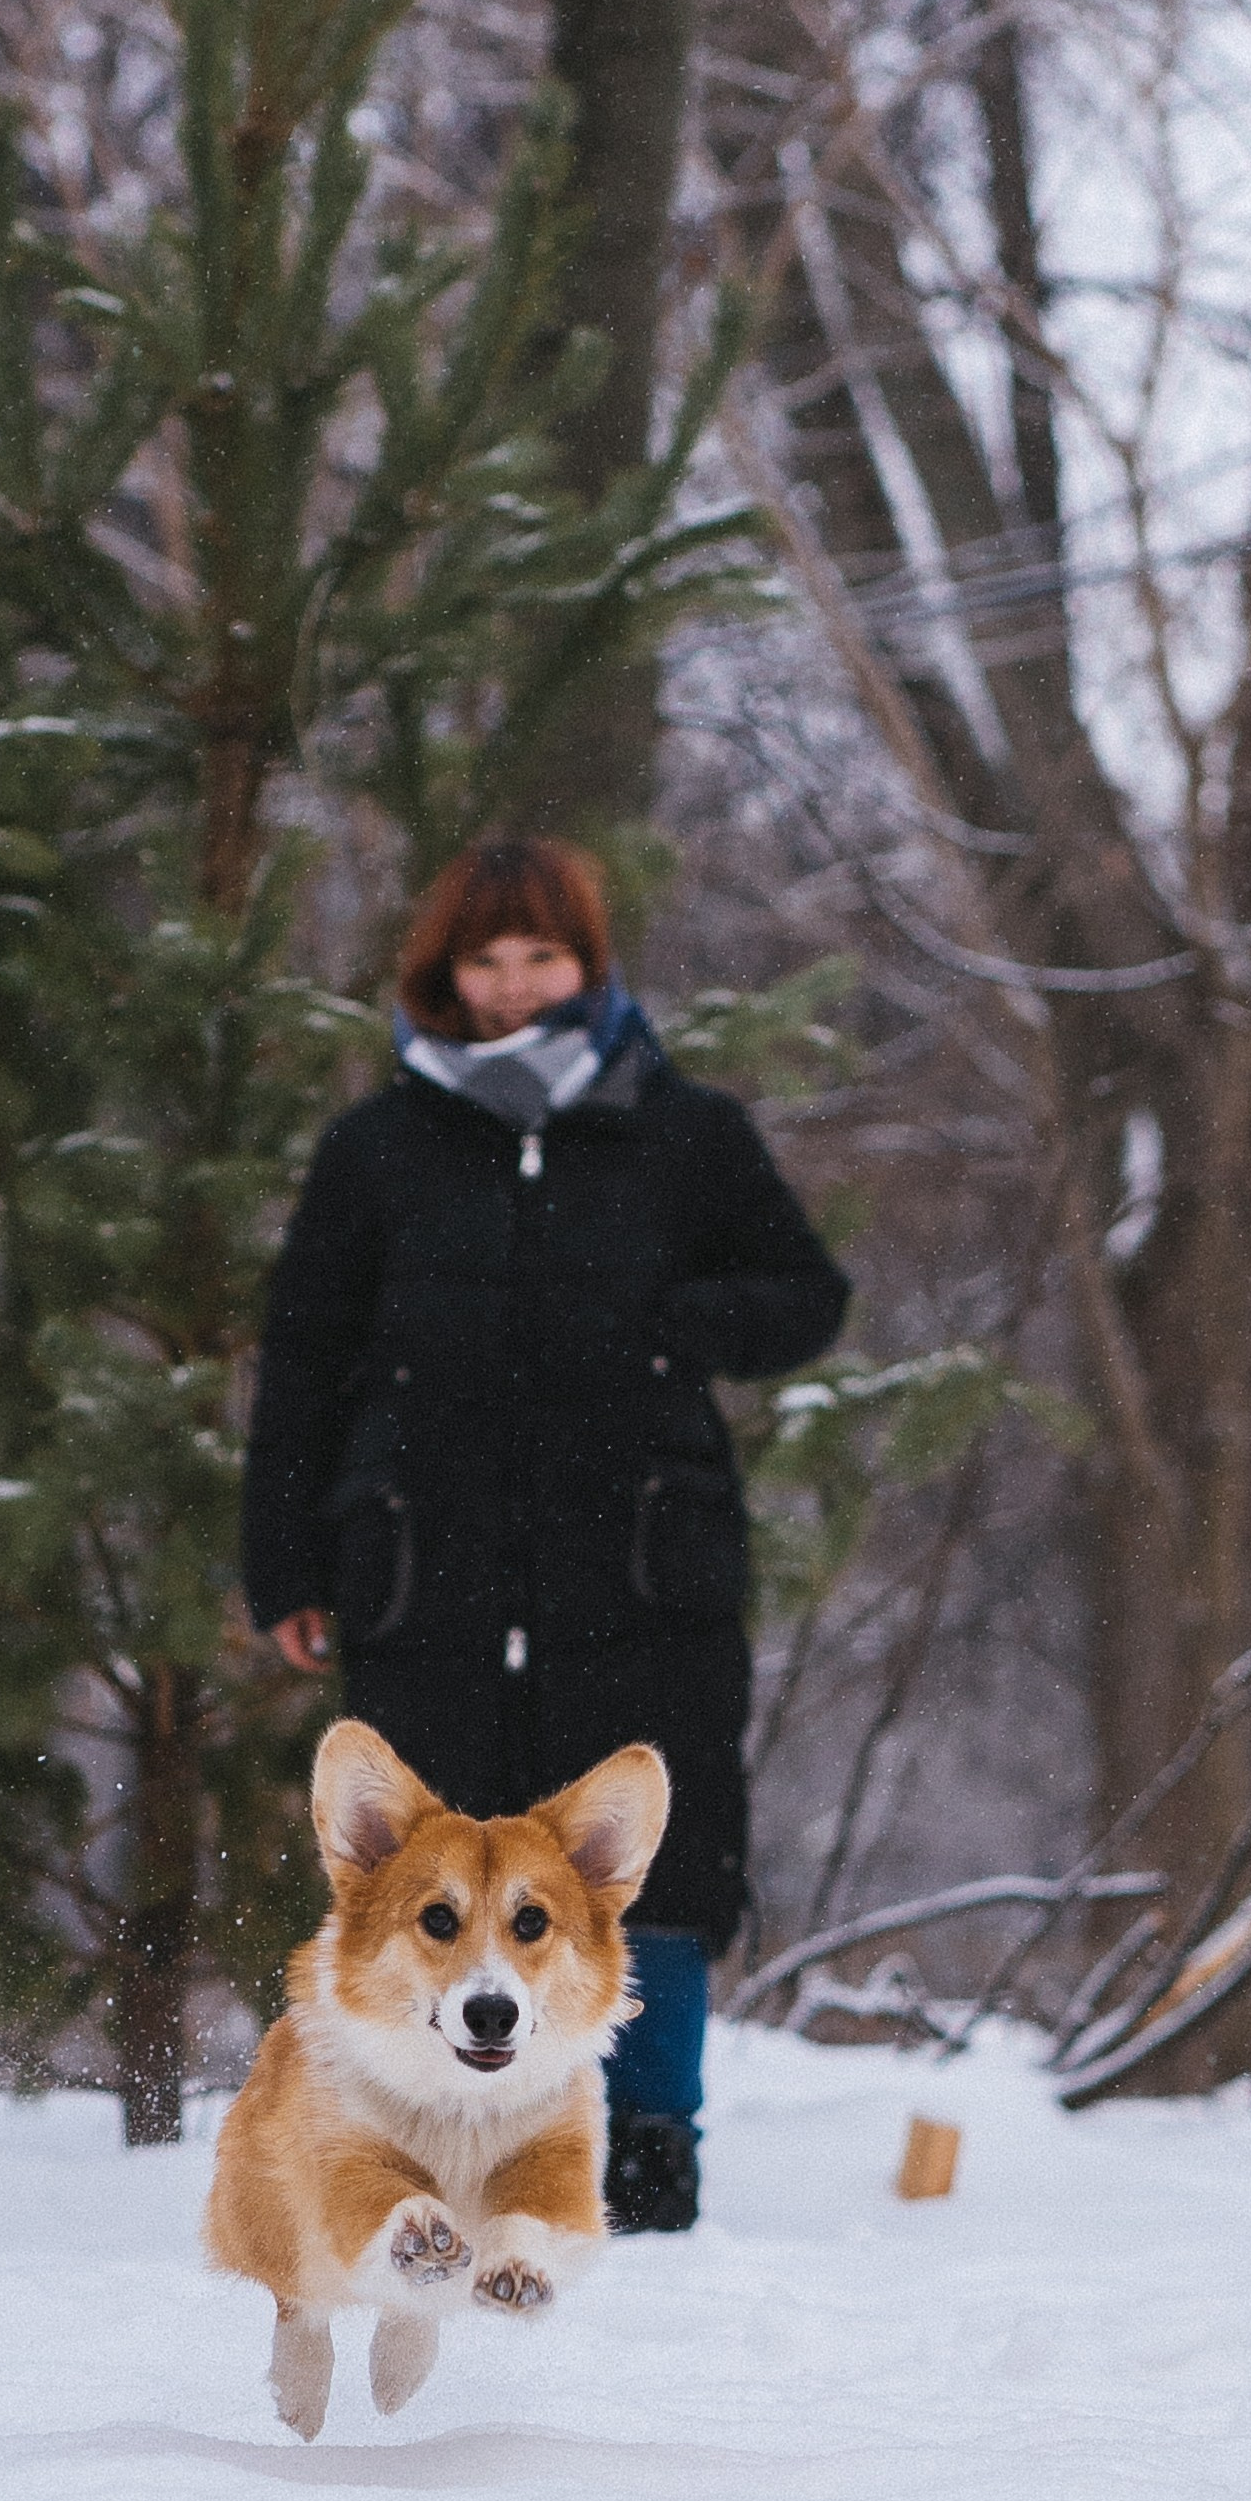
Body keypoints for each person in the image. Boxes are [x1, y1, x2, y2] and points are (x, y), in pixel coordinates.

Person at [241, 837, 848, 2231]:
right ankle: (426, 2151)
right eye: (486, 961)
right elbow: (303, 1364)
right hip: (422, 1573)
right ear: (441, 974)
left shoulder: (684, 1133)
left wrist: (687, 1324)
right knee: (430, 1878)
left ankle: (644, 2143)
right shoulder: (377, 1151)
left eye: (542, 960)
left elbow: (808, 1295)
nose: (514, 989)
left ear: (590, 965)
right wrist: (285, 1560)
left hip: (642, 1571)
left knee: (651, 1866)